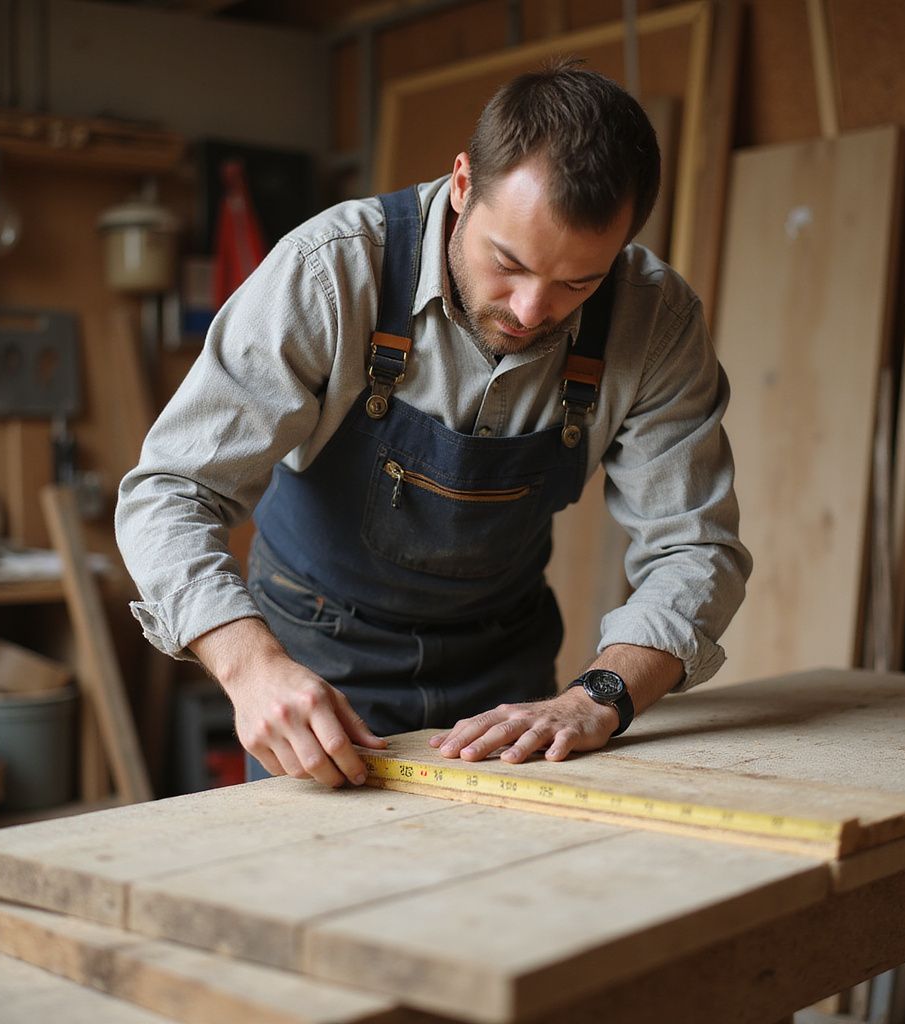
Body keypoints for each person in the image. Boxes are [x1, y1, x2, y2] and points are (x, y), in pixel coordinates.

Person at [115, 59, 752, 789]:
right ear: (461, 184)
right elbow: (169, 490)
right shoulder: (329, 274)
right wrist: (250, 666)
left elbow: (695, 547)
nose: (530, 311)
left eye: (579, 282)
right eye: (507, 263)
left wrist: (599, 697)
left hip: (507, 686)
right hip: (317, 674)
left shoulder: (654, 321)